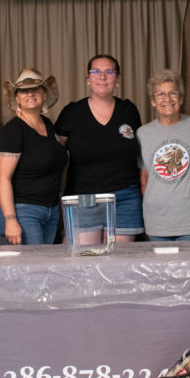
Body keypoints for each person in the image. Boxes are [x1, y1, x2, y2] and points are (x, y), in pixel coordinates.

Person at [54, 54, 143, 241]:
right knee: (83, 261)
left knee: (121, 265)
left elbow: (142, 155)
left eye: (109, 72)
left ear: (118, 79)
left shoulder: (129, 110)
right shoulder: (72, 113)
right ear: (88, 79)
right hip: (83, 197)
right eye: (96, 71)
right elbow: (55, 158)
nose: (102, 77)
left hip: (125, 198)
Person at [0, 68, 68, 245]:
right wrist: (10, 220)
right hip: (23, 210)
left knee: (44, 268)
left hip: (51, 210)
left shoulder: (49, 125)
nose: (30, 94)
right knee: (32, 268)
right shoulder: (13, 130)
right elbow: (2, 178)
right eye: (24, 91)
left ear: (44, 94)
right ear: (17, 97)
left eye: (36, 89)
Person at [137, 69, 190, 241]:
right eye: (160, 94)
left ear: (181, 99)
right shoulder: (143, 133)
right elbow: (144, 178)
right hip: (157, 222)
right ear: (153, 101)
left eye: (173, 93)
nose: (167, 99)